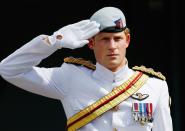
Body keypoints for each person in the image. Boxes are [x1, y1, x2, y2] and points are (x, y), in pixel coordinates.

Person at [0, 6, 173, 131]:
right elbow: (8, 69)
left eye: (117, 38)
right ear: (91, 43)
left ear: (127, 40)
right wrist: (55, 41)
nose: (112, 46)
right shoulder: (70, 78)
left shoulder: (154, 86)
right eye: (105, 39)